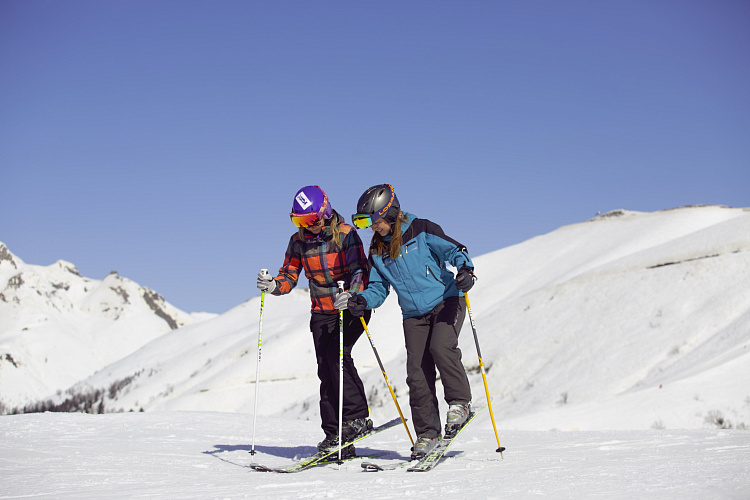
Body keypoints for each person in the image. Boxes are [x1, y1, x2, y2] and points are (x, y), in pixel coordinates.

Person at [343, 184, 476, 460]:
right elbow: (378, 288)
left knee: (441, 347)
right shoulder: (377, 250)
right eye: (366, 223)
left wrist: (466, 270)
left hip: (446, 300)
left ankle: (460, 404)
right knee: (416, 373)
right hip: (413, 315)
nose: (372, 228)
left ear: (389, 213)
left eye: (374, 221)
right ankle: (427, 434)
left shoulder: (422, 229)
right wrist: (363, 300)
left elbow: (454, 250)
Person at [256, 185, 373, 457]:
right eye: (299, 221)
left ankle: (357, 419)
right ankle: (335, 434)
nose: (307, 227)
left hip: (350, 307)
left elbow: (360, 271)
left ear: (326, 212)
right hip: (321, 310)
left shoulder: (345, 235)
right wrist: (273, 285)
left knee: (337, 356)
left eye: (310, 220)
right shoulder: (298, 241)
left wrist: (353, 295)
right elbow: (289, 275)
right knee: (325, 370)